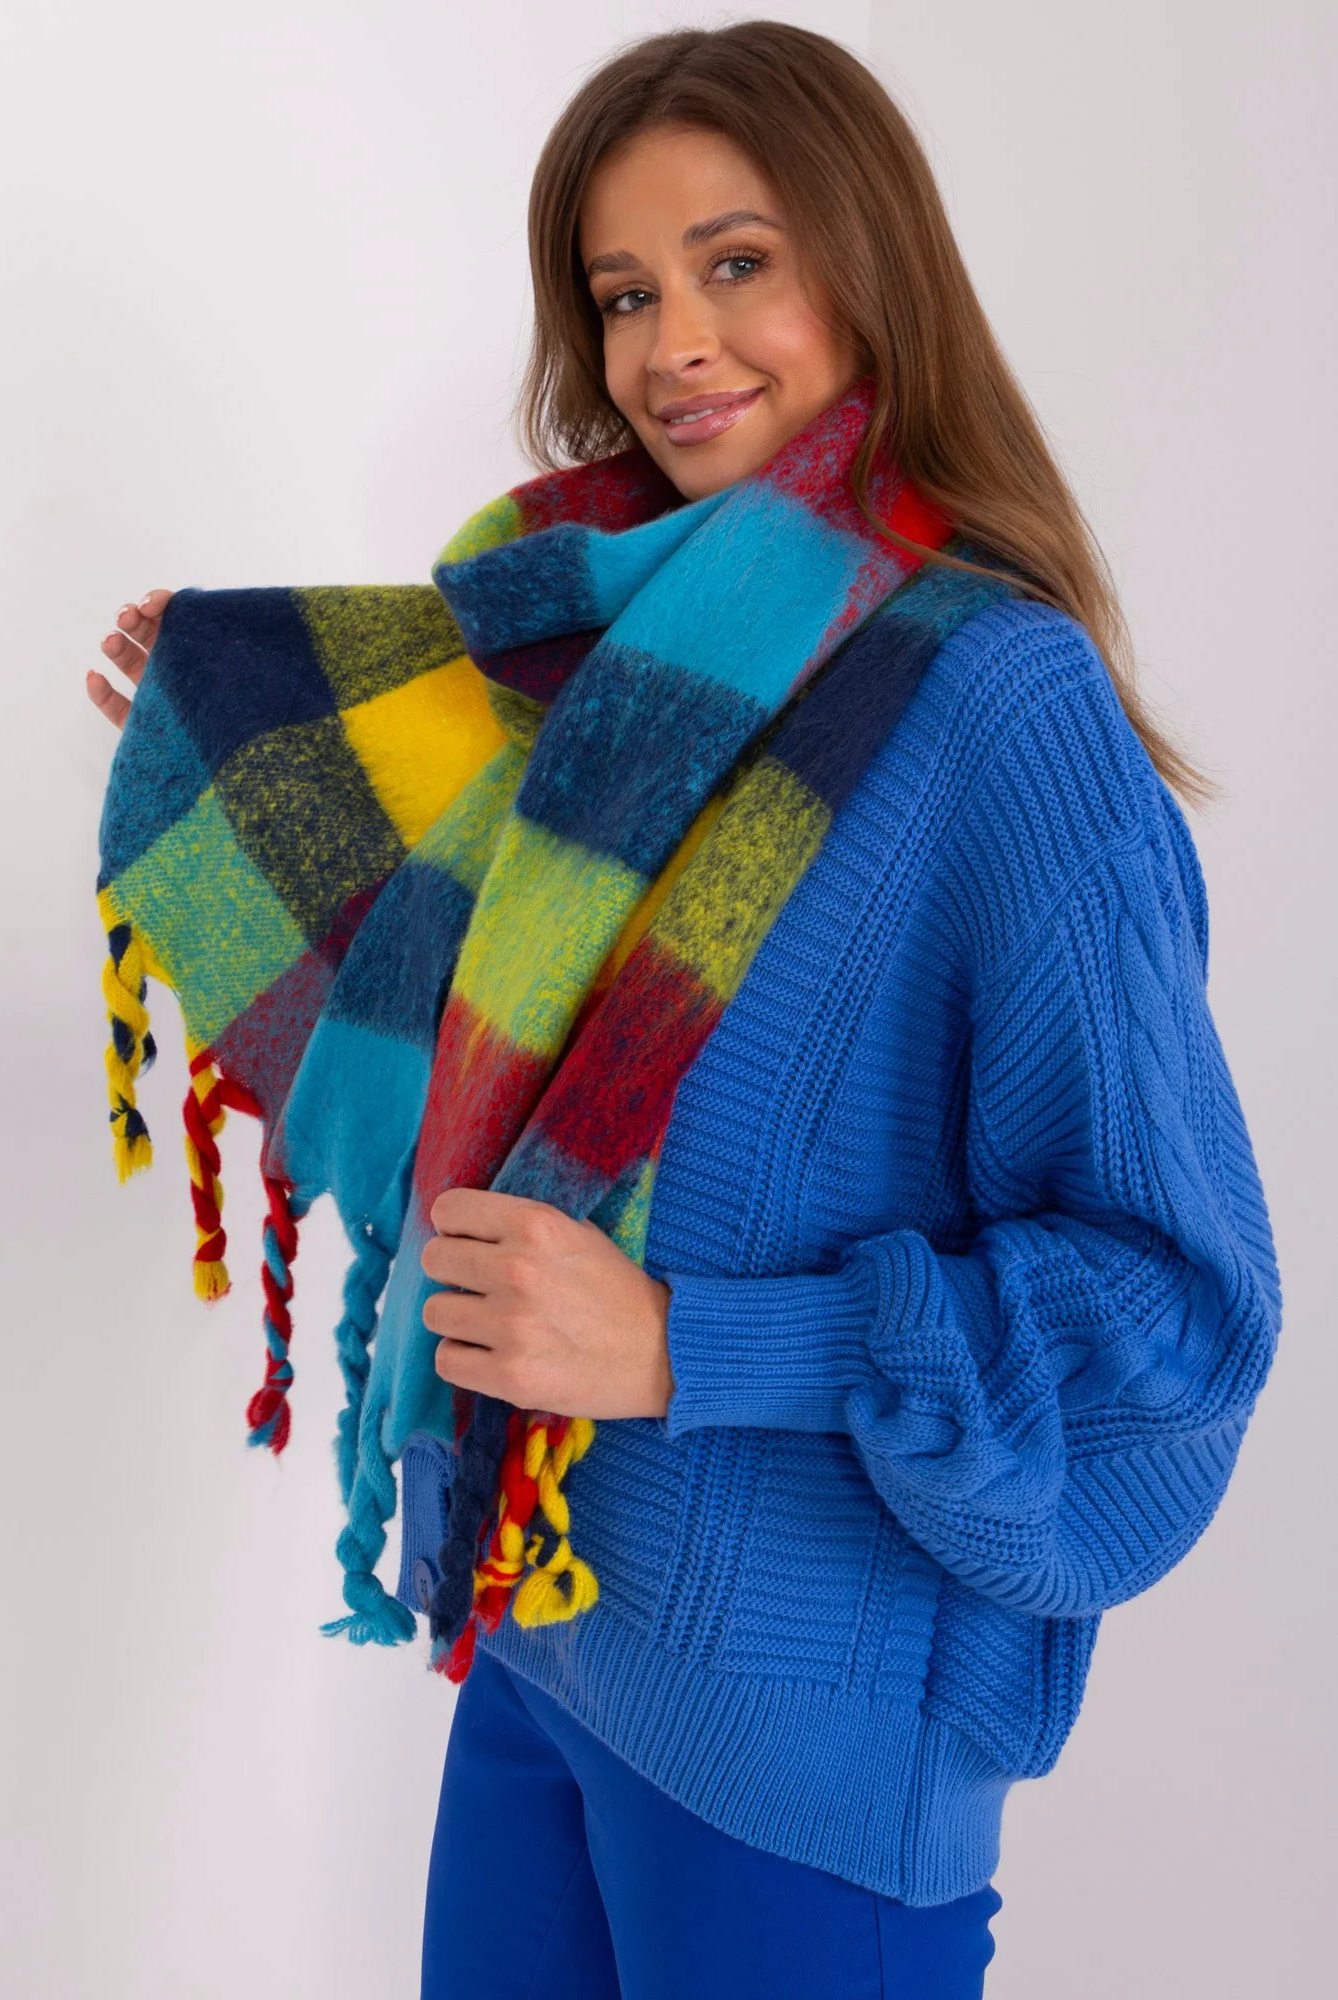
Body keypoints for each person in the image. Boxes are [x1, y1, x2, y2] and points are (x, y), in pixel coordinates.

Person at [85, 23, 1278, 2000]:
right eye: (626, 292)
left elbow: (1174, 1315)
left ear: (870, 269)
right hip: (551, 1642)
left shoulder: (1000, 703)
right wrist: (239, 755)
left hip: (806, 1746)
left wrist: (685, 1345)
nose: (673, 346)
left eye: (738, 264)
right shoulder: (624, 659)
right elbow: (470, 991)